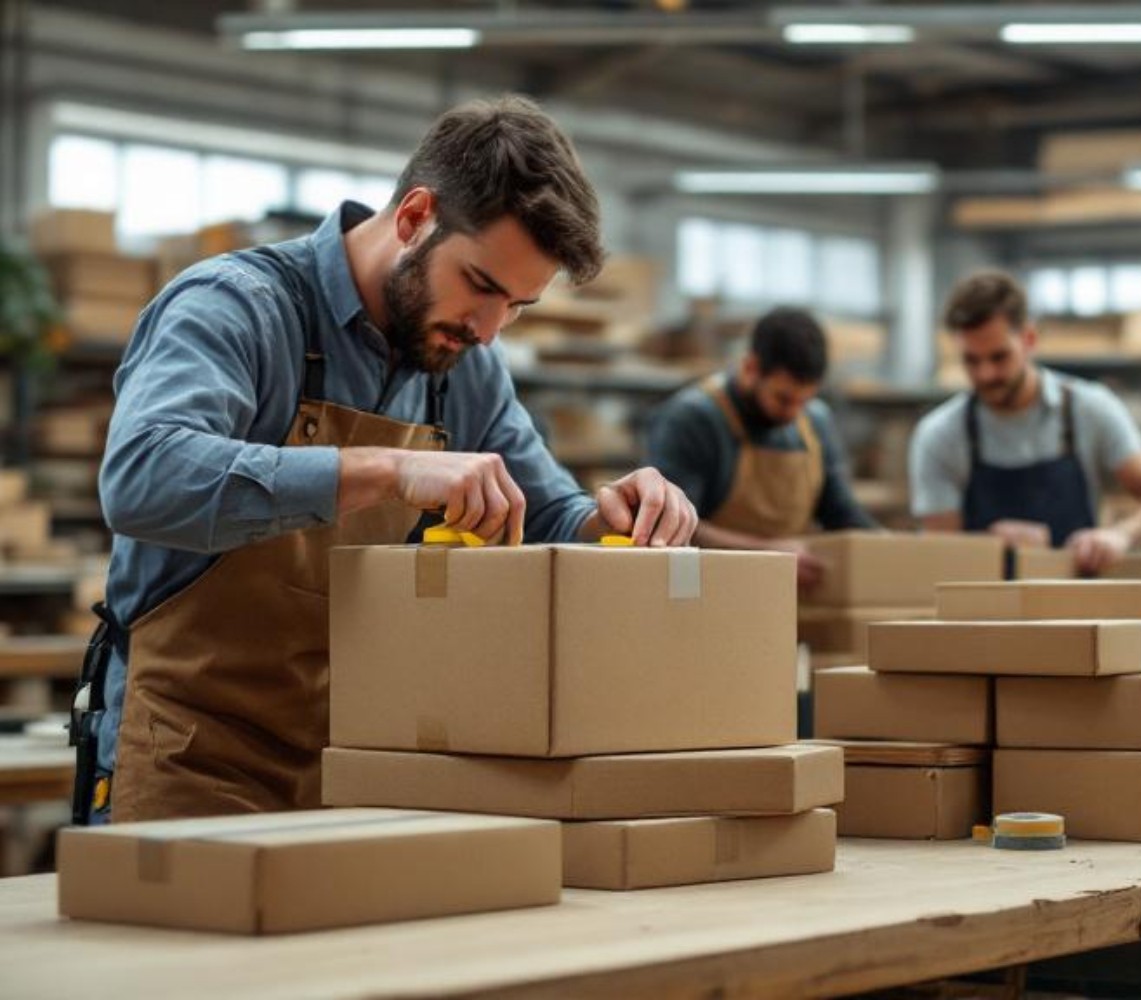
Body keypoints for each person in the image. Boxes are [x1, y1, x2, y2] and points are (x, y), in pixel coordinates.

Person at [73, 96, 697, 824]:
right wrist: (387, 469)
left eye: (519, 306)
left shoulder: (464, 365)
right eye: (483, 286)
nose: (490, 331)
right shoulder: (236, 307)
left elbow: (549, 513)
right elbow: (144, 477)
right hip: (190, 755)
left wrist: (611, 517)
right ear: (413, 218)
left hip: (361, 765)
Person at [909, 270, 1141, 573]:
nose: (985, 374)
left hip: (1078, 608)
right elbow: (939, 552)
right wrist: (989, 544)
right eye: (971, 361)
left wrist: (1120, 534)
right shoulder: (940, 435)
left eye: (999, 357)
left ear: (1028, 340)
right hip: (982, 613)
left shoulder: (1088, 409)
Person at [646, 307, 877, 588]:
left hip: (789, 598)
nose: (793, 413)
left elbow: (842, 513)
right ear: (750, 368)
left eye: (803, 401)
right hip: (710, 593)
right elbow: (672, 527)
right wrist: (768, 552)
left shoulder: (815, 420)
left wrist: (890, 549)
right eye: (783, 399)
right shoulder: (692, 419)